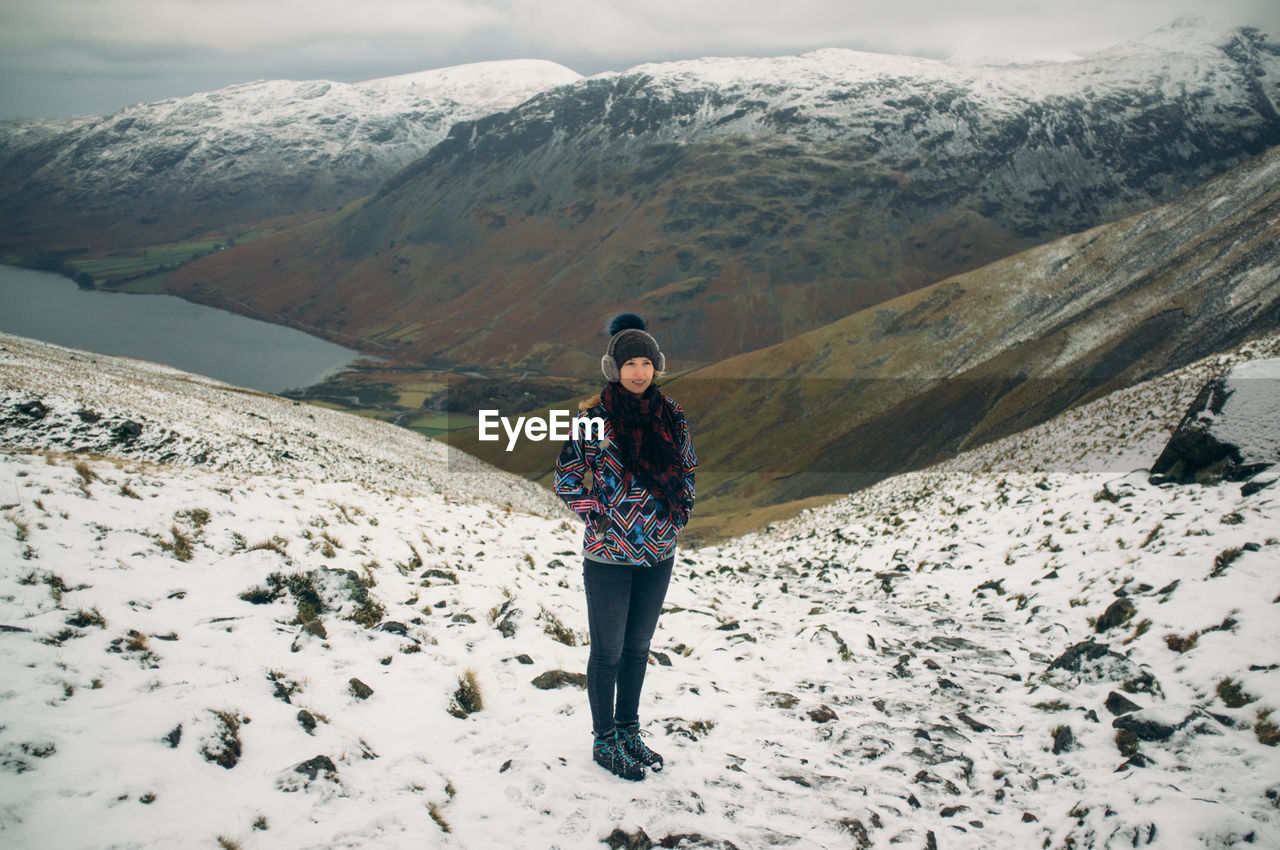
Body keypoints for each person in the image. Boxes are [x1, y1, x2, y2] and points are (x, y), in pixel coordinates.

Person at [554, 313, 698, 781]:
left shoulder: (671, 414)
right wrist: (602, 515)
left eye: (645, 362)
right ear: (613, 369)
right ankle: (604, 741)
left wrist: (679, 514)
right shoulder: (594, 419)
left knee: (638, 648)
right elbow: (567, 477)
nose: (638, 372)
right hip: (608, 555)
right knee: (609, 650)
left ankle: (628, 730)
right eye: (629, 363)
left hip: (659, 552)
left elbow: (688, 468)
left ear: (656, 366)